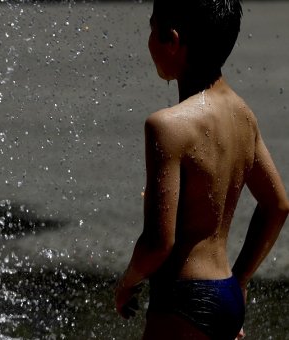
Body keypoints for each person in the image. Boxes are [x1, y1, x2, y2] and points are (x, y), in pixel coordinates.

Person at [114, 0, 289, 339]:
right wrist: (239, 281)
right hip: (225, 292)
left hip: (182, 299)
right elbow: (278, 206)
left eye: (153, 29)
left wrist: (127, 282)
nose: (149, 40)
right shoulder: (244, 116)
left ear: (173, 41)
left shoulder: (166, 126)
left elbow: (158, 244)